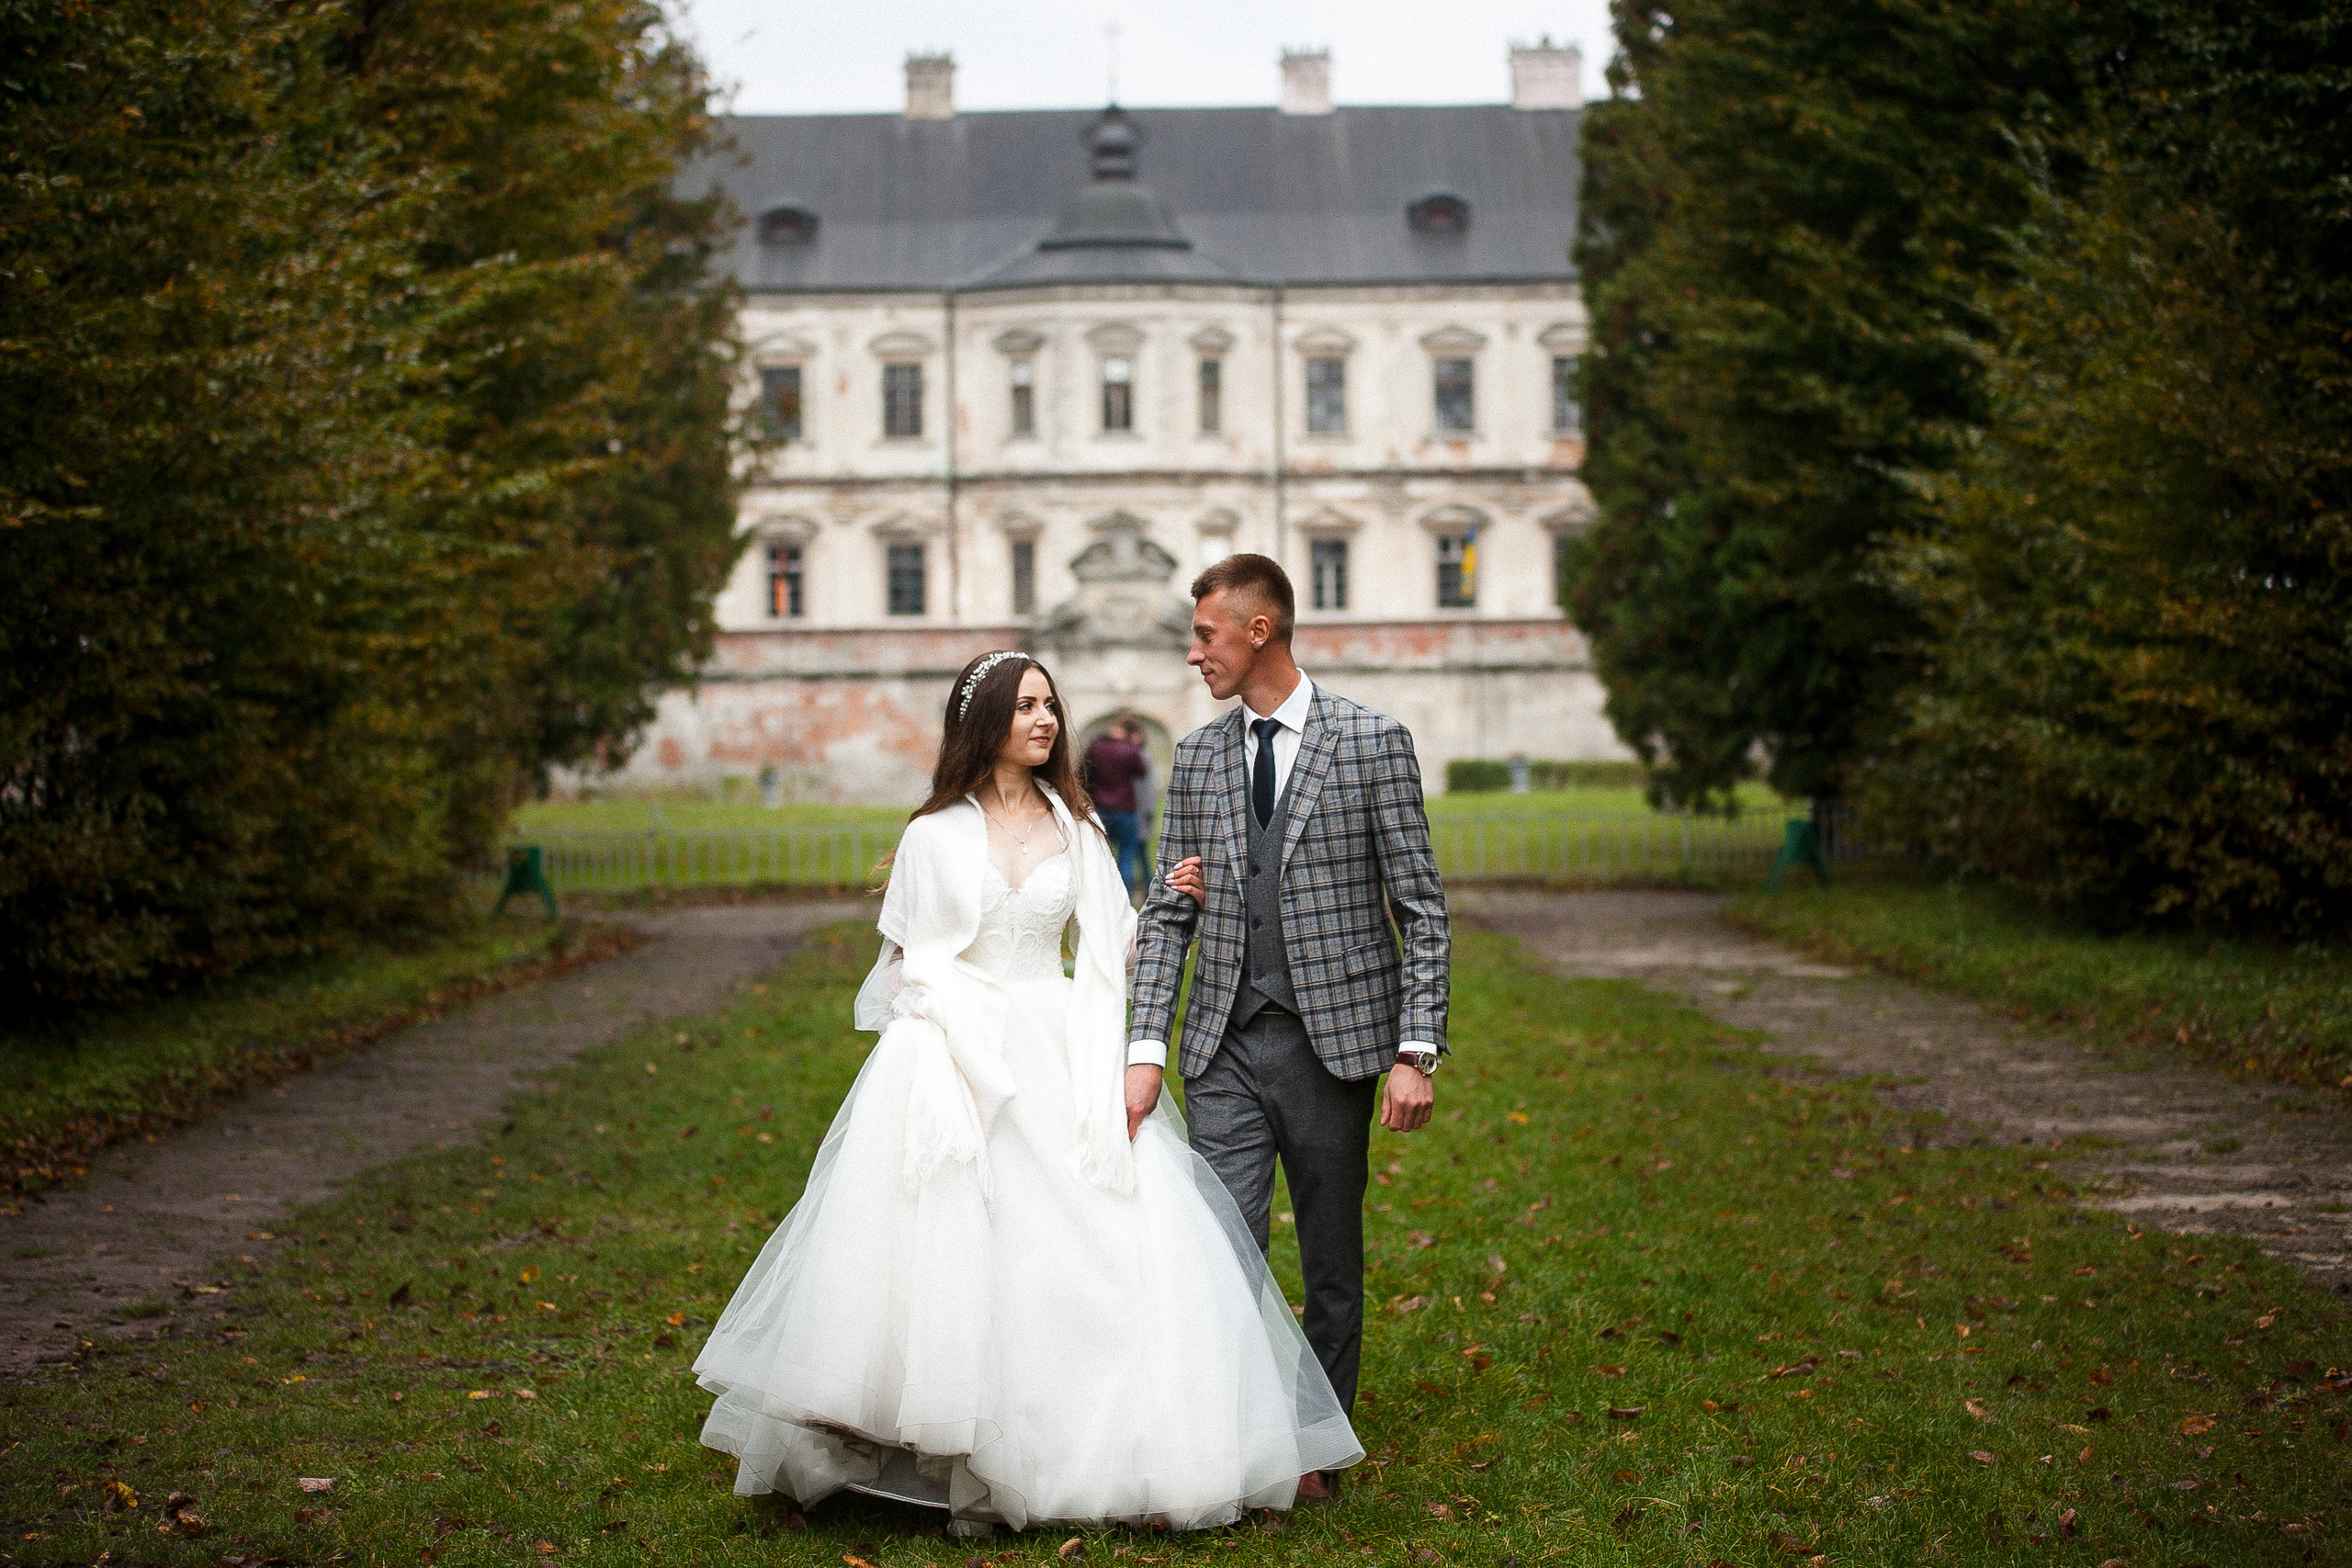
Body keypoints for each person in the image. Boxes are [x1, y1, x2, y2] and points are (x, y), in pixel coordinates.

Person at [693, 651, 1363, 1535]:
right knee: (950, 1249)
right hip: (952, 1049)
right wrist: (938, 1025)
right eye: (1025, 706)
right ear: (986, 724)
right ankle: (940, 1438)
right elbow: (896, 969)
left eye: (1051, 704)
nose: (1045, 720)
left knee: (1093, 1241)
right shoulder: (934, 835)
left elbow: (1114, 943)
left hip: (1055, 1039)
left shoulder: (1076, 826)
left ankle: (1092, 1435)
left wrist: (1171, 899)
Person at [1126, 554, 1450, 1502]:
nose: (1193, 654)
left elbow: (1421, 909)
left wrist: (1414, 1051)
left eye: (1205, 635)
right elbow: (1167, 914)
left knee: (1330, 1261)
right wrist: (1146, 1049)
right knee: (1223, 1250)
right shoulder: (1194, 757)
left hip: (1335, 1044)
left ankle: (1317, 1445)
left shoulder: (1370, 742)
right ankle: (1232, 1436)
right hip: (1222, 1041)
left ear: (1258, 630)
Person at [1083, 716, 1151, 896]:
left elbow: (1085, 773)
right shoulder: (1129, 751)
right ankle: (1124, 898)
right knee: (1126, 858)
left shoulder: (1096, 747)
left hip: (1102, 809)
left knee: (1101, 858)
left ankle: (1101, 896)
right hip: (1125, 810)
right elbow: (1142, 771)